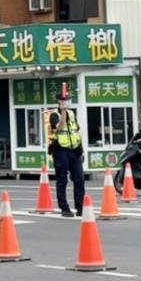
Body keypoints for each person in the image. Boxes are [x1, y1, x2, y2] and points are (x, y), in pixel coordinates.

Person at [47, 85, 85, 217]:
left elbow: (75, 131)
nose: (68, 102)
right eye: (66, 100)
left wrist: (81, 150)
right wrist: (62, 112)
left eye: (69, 99)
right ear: (59, 102)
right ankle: (64, 208)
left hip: (74, 150)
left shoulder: (72, 114)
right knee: (62, 180)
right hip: (60, 151)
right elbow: (60, 127)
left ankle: (81, 207)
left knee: (79, 178)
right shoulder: (54, 115)